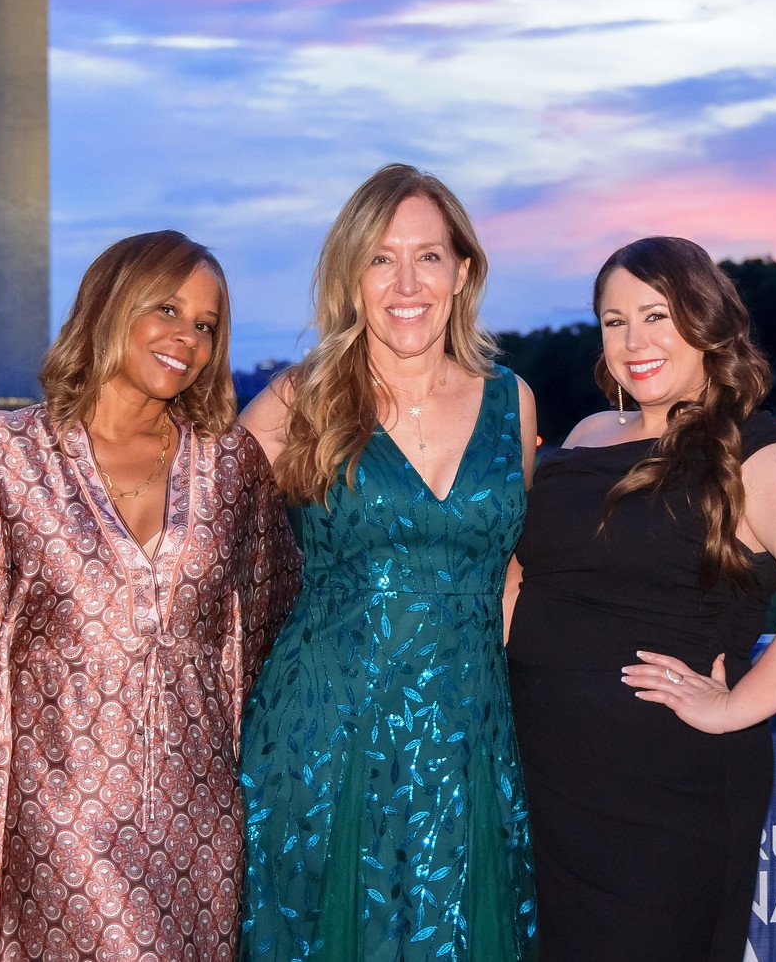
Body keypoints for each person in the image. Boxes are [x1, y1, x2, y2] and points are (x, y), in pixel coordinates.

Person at [506, 236, 776, 962]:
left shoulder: (754, 454)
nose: (634, 341)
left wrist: (734, 707)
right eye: (615, 321)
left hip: (664, 797)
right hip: (541, 779)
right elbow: (528, 574)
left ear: (707, 321)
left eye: (657, 316)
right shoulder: (587, 434)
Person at [0, 230, 301, 961]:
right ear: (112, 303)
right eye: (167, 309)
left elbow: (275, 615)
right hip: (59, 824)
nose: (187, 338)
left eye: (206, 325)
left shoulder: (231, 463)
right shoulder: (3, 459)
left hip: (200, 824)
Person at [234, 163, 540, 960]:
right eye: (380, 258)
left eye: (428, 255)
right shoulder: (301, 400)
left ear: (462, 271)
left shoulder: (512, 400)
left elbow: (509, 567)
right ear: (352, 276)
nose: (406, 283)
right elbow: (200, 530)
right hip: (321, 742)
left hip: (467, 740)